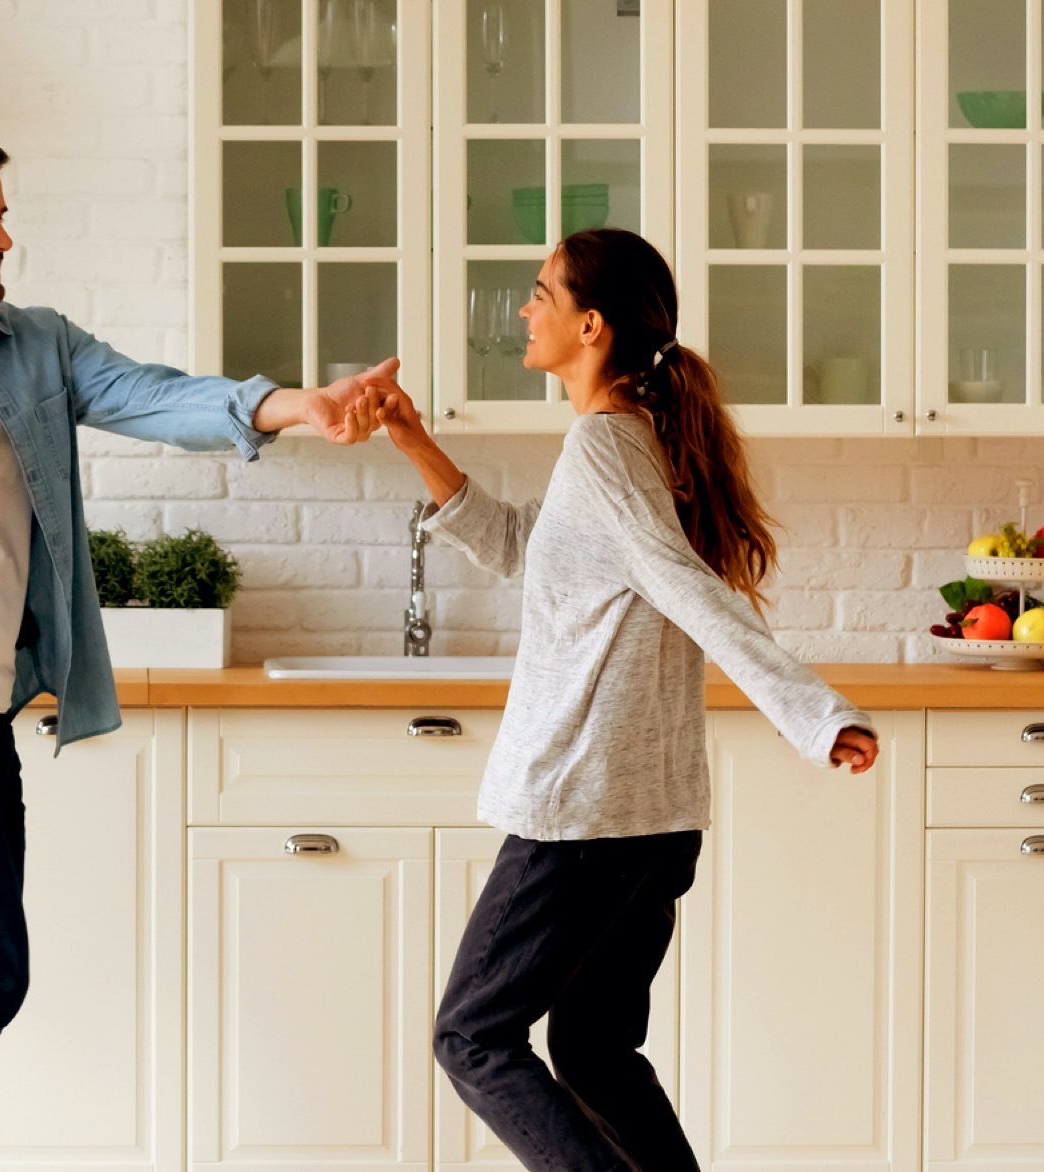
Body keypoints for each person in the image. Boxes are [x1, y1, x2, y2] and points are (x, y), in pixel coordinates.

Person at [0, 127, 383, 1172]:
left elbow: (156, 394)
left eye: (3, 215)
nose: (3, 238)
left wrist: (297, 407)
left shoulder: (34, 347)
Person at [370, 227, 880, 1171]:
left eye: (541, 292)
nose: (525, 309)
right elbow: (524, 545)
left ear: (590, 325)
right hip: (649, 819)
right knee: (595, 1052)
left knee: (472, 1037)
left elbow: (689, 591)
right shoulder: (630, 442)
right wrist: (413, 440)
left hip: (586, 813)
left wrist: (814, 713)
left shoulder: (607, 448)